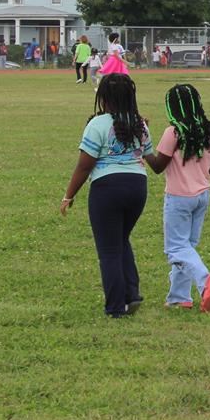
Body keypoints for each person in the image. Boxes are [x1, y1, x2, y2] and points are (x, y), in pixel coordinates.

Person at [143, 83, 210, 311]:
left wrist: (144, 144)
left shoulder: (173, 132)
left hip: (179, 198)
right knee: (187, 246)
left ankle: (205, 281)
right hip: (202, 197)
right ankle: (179, 297)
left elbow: (157, 166)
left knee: (175, 249)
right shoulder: (208, 131)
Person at [59, 73, 153, 317]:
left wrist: (68, 195)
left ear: (104, 98)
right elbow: (149, 156)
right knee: (121, 240)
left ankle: (115, 307)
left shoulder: (97, 124)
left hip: (107, 188)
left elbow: (84, 165)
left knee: (109, 250)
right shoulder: (140, 124)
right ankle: (132, 295)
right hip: (137, 187)